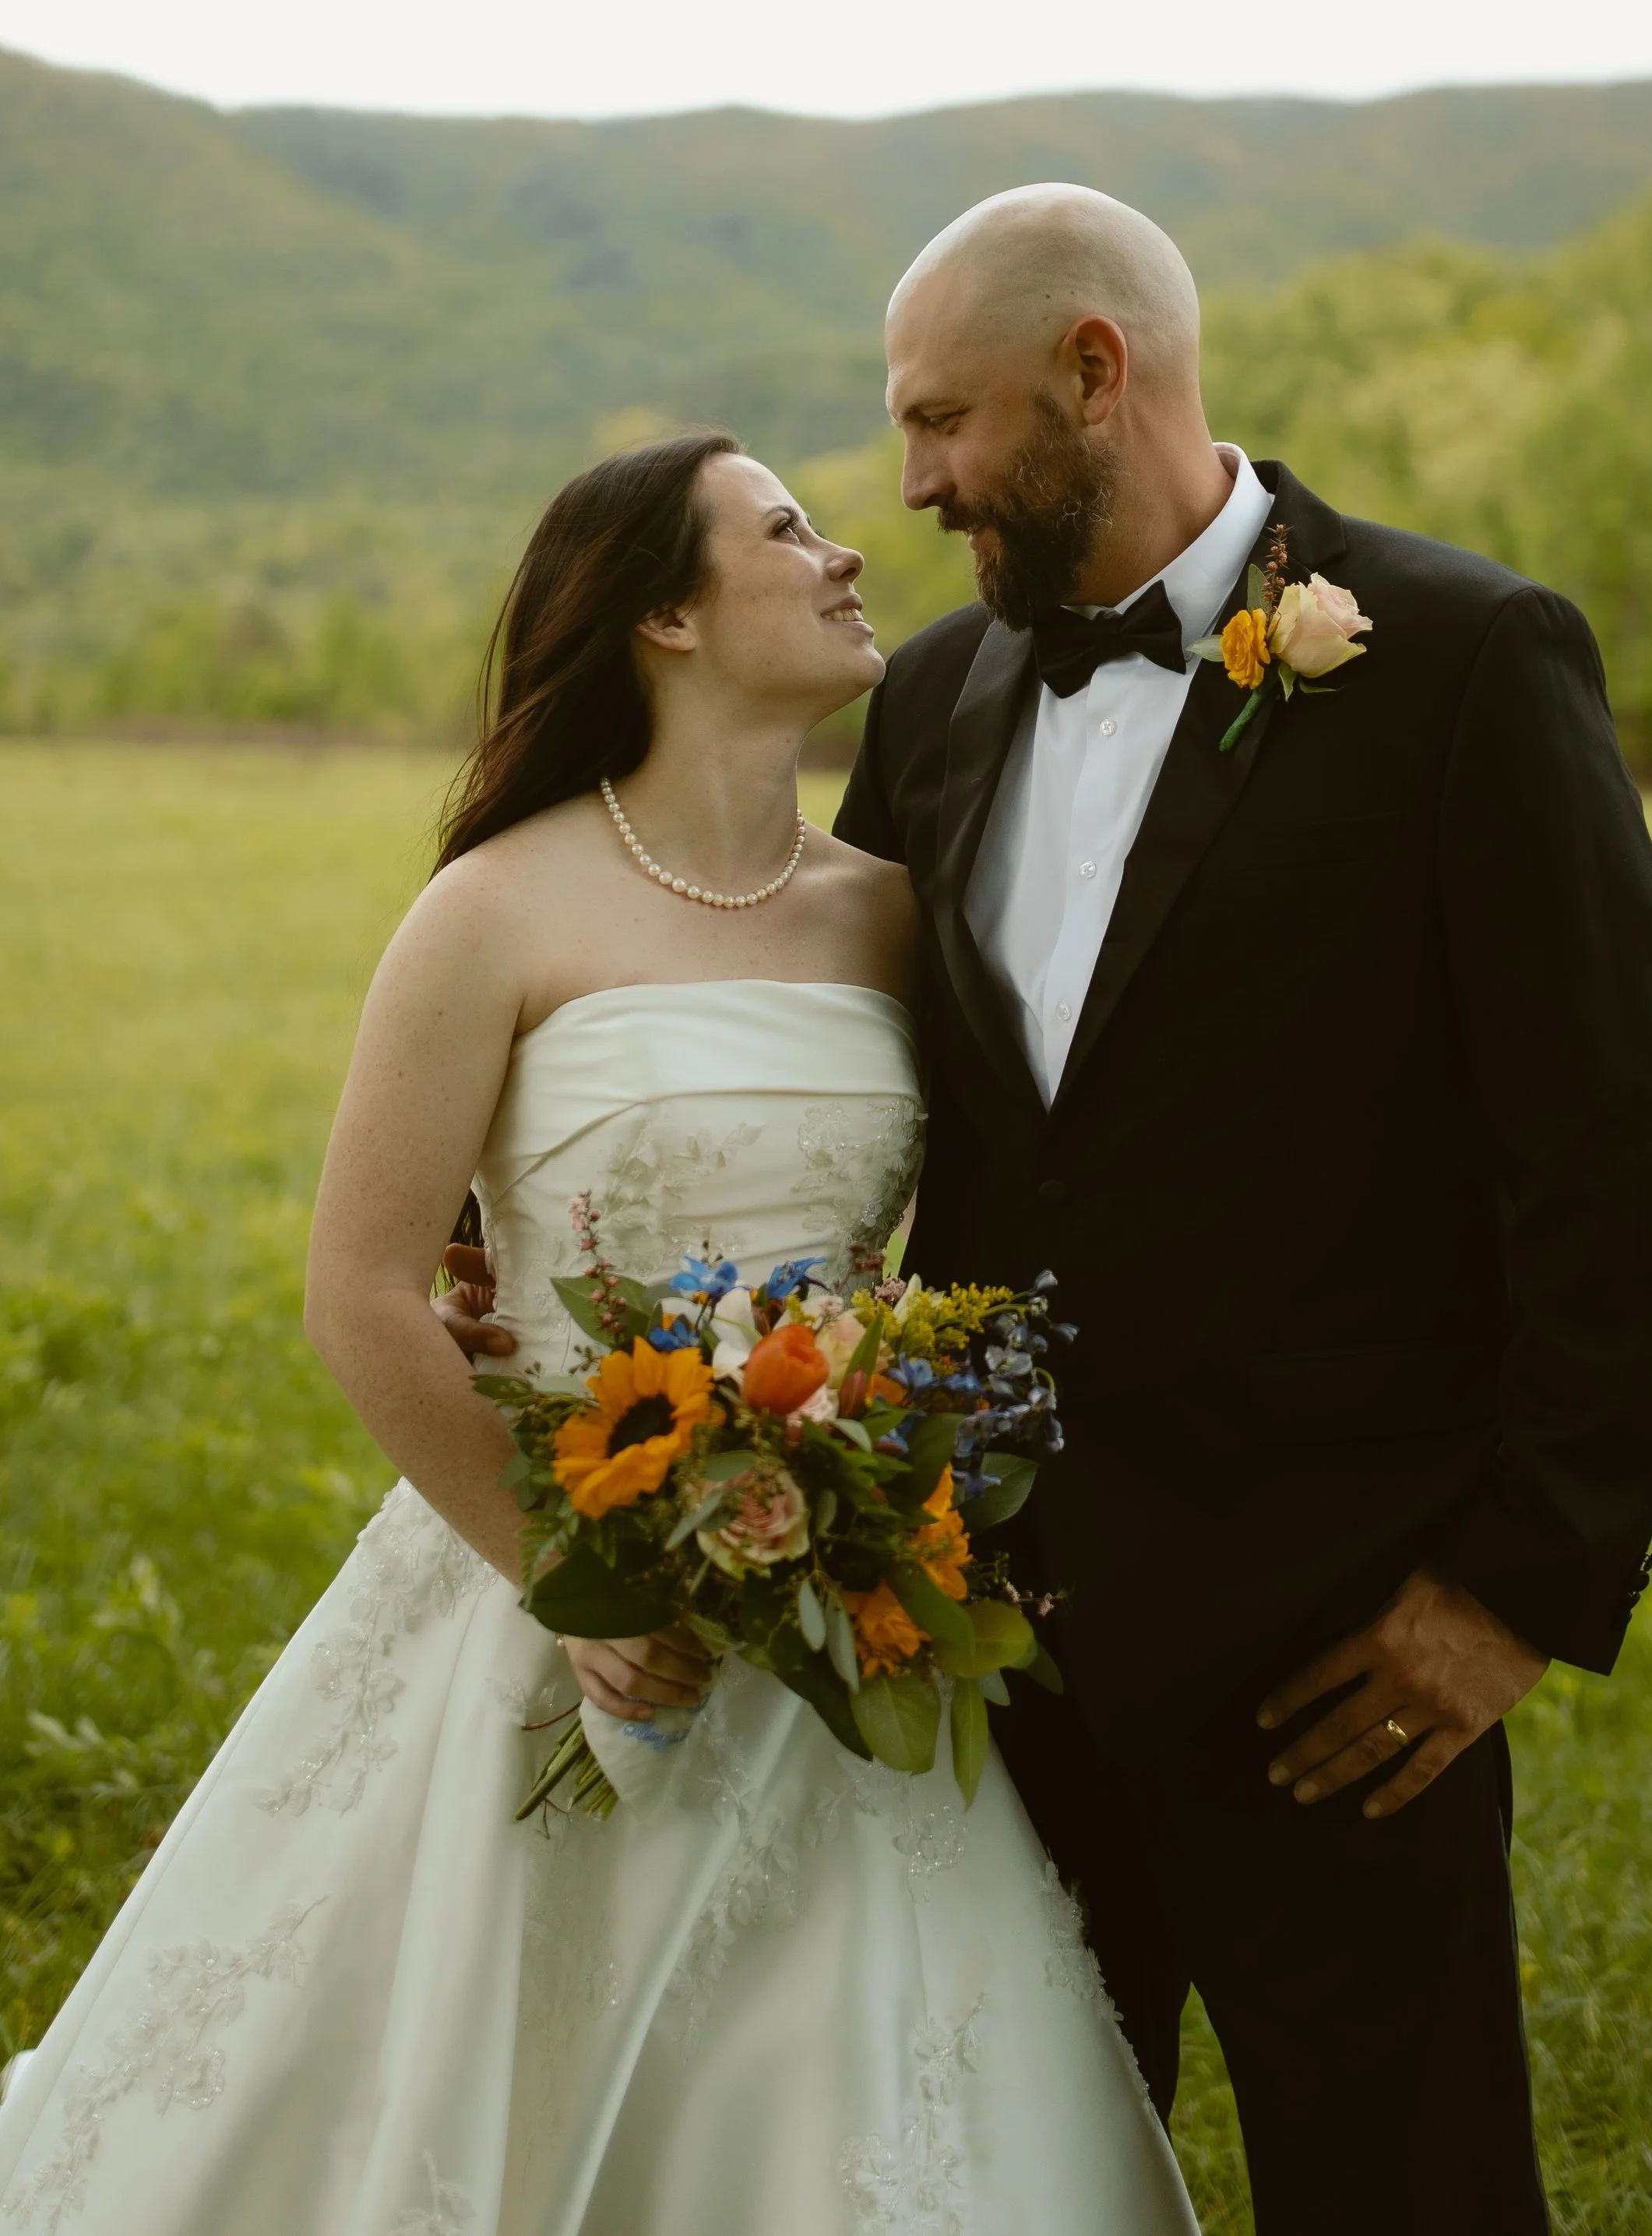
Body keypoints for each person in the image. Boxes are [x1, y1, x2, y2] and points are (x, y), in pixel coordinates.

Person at [0, 432, 1198, 2236]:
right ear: (661, 609)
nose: (847, 549)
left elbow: (965, 1240)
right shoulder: (491, 909)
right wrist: (587, 1592)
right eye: (787, 529)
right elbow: (364, 1290)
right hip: (545, 1558)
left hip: (836, 1601)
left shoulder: (887, 914)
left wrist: (878, 1474)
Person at [830, 184, 1652, 2233]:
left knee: (1400, 2187)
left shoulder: (1463, 661)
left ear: (1091, 369)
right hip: (987, 1641)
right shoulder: (936, 697)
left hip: (1335, 1651)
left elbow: (1618, 1143)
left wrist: (1509, 1585)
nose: (913, 478)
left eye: (942, 417)